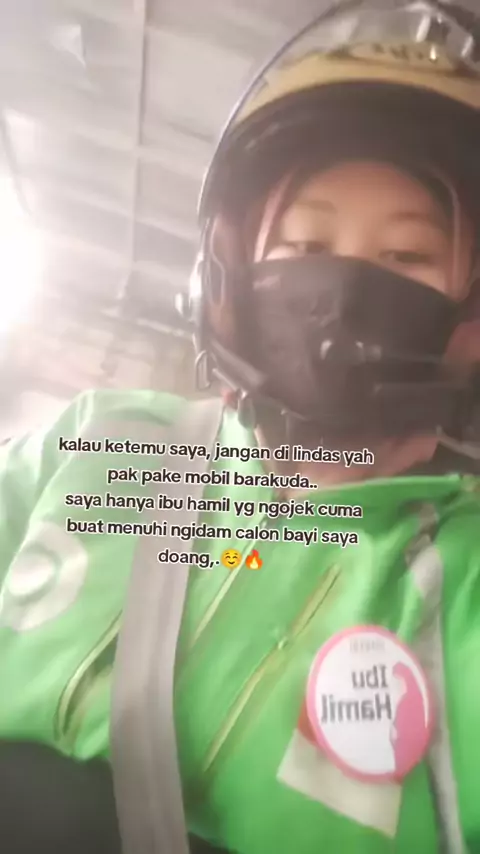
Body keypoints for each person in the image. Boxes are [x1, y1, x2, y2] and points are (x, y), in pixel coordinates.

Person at [2, 1, 480, 852]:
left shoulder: (468, 585)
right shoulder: (97, 444)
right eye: (305, 245)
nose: (343, 288)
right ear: (227, 276)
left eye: (407, 257)